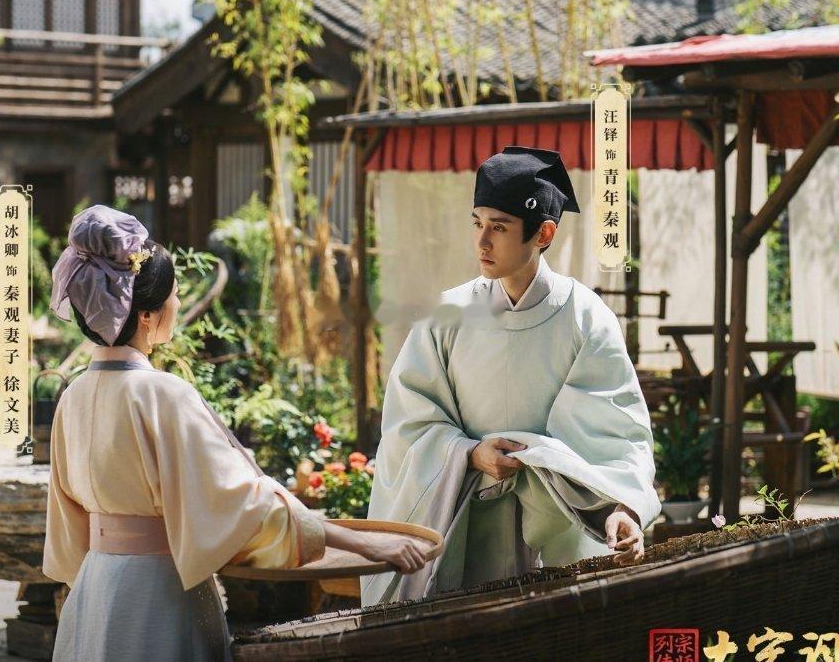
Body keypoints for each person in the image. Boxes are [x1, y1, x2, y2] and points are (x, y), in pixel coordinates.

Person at [42, 205, 430, 661]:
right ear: (145, 315)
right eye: (174, 295)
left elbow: (67, 528)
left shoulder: (73, 395)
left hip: (95, 587)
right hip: (157, 589)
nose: (177, 304)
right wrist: (363, 541)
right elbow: (244, 504)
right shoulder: (163, 394)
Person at [362, 146, 661, 606]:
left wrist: (623, 508)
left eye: (499, 227)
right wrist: (468, 453)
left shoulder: (586, 318)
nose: (482, 242)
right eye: (477, 223)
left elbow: (619, 435)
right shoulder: (448, 314)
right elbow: (408, 423)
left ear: (543, 233)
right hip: (465, 519)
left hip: (557, 526)